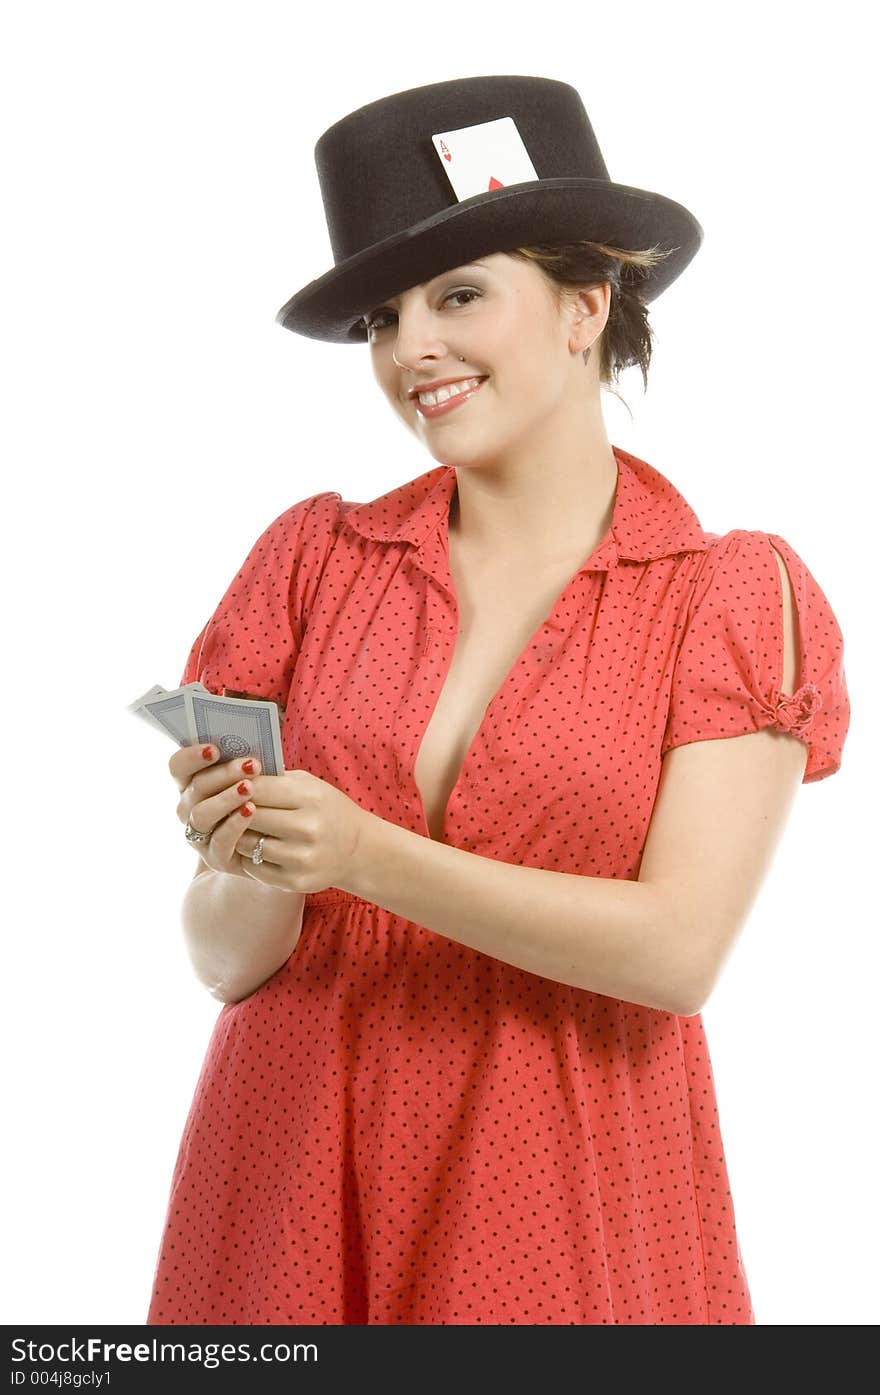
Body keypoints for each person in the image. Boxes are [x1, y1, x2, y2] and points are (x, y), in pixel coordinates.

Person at [146, 76, 850, 1326]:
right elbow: (225, 962)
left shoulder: (732, 594)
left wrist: (360, 852)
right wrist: (248, 863)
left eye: (459, 294)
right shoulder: (310, 559)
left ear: (587, 305)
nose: (409, 348)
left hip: (558, 1170)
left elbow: (676, 955)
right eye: (383, 314)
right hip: (294, 1156)